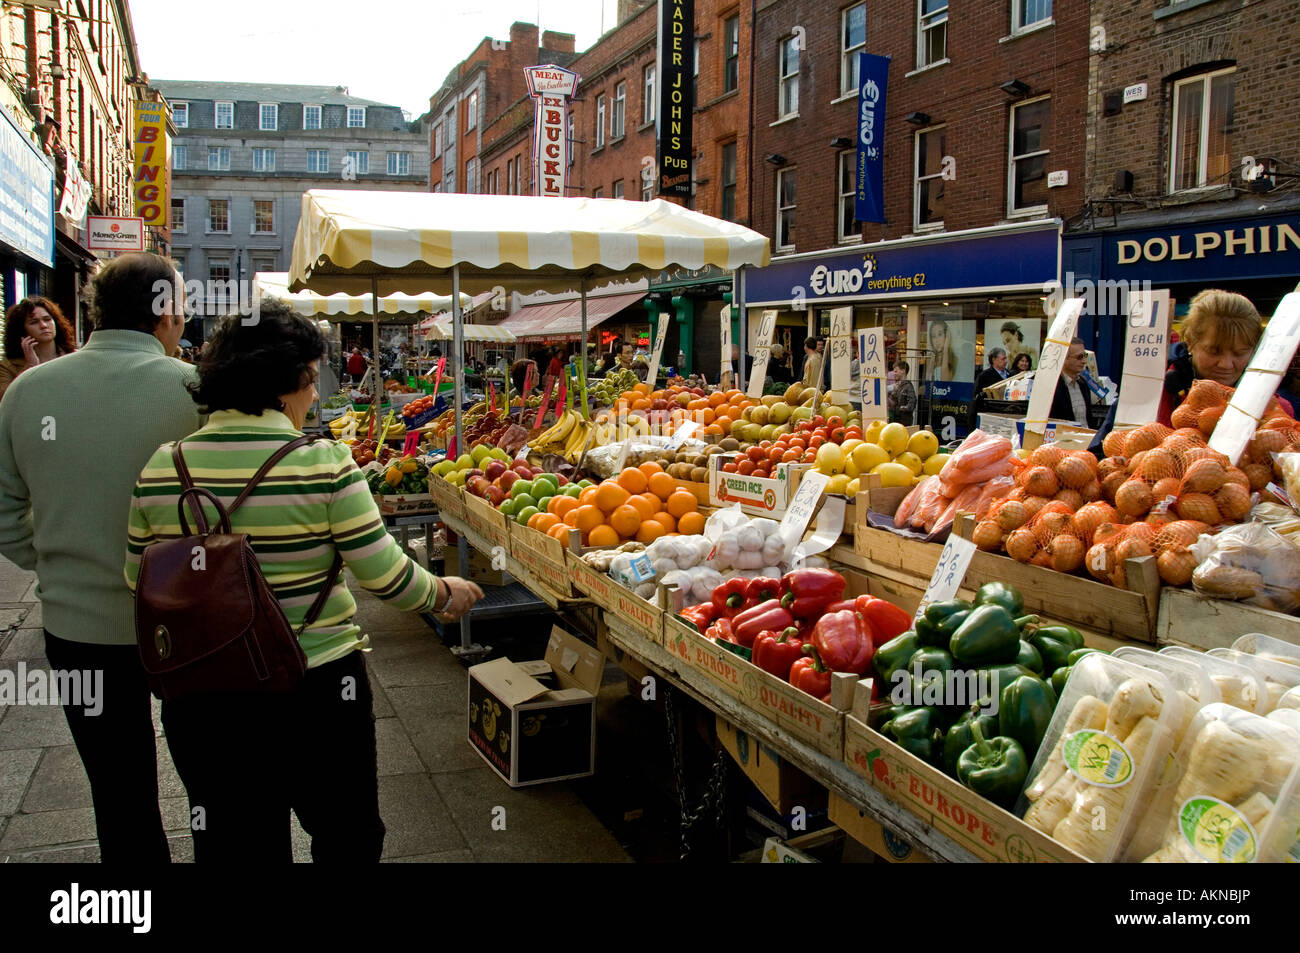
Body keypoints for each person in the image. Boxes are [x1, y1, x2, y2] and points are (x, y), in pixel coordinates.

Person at [124, 300, 485, 863]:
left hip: (203, 694)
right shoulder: (324, 462)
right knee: (346, 835)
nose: (314, 395)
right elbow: (385, 574)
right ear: (285, 381)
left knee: (233, 844)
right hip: (315, 686)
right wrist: (444, 593)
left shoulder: (162, 465)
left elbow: (136, 578)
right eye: (311, 381)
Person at [0, 253, 202, 863]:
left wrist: (57, 562)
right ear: (164, 313)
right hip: (190, 622)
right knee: (211, 780)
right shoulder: (194, 390)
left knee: (119, 794)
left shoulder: (28, 391)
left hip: (78, 627)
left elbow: (6, 514)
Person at [1157, 289, 1293, 426]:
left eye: (1239, 353)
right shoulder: (1155, 397)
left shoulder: (1278, 412)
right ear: (1190, 342)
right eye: (1214, 351)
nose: (1226, 364)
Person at [0, 296, 78, 401]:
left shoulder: (75, 357)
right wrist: (29, 368)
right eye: (34, 322)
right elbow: (5, 400)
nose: (43, 325)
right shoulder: (7, 366)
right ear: (21, 330)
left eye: (47, 319)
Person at [1049, 337, 1098, 427]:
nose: (1084, 361)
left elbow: (1088, 418)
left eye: (1085, 356)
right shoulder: (1052, 386)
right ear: (1064, 358)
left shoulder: (1083, 383)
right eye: (1079, 357)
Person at [889, 361, 916, 425]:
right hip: (896, 422)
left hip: (904, 423)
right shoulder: (898, 386)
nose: (894, 374)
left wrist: (899, 408)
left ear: (903, 371)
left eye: (896, 371)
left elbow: (911, 405)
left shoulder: (909, 386)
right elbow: (893, 402)